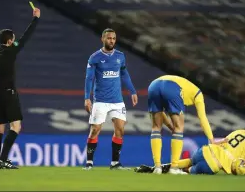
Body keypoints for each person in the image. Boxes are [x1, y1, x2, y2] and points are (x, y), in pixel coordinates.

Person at [0, 7, 40, 169]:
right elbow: (25, 37)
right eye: (12, 40)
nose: (14, 41)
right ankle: (4, 160)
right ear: (9, 41)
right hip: (9, 94)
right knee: (16, 126)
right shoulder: (11, 51)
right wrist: (36, 19)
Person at [83, 28, 138, 170]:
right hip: (100, 100)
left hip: (117, 100)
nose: (111, 41)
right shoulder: (94, 57)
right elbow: (89, 78)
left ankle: (115, 163)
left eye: (113, 38)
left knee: (120, 129)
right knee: (95, 129)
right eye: (109, 38)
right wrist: (87, 98)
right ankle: (89, 163)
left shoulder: (120, 56)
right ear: (102, 39)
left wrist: (132, 91)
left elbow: (124, 74)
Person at [148, 75, 215, 174]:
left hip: (153, 85)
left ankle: (157, 167)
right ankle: (174, 167)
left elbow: (161, 112)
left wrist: (170, 126)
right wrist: (211, 139)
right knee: (179, 128)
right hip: (172, 87)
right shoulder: (198, 93)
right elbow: (202, 118)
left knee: (156, 127)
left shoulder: (185, 85)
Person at [135, 130, 245, 175]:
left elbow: (224, 143)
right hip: (211, 165)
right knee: (185, 171)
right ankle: (173, 169)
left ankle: (157, 167)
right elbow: (238, 166)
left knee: (191, 161)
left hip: (204, 151)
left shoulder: (239, 132)